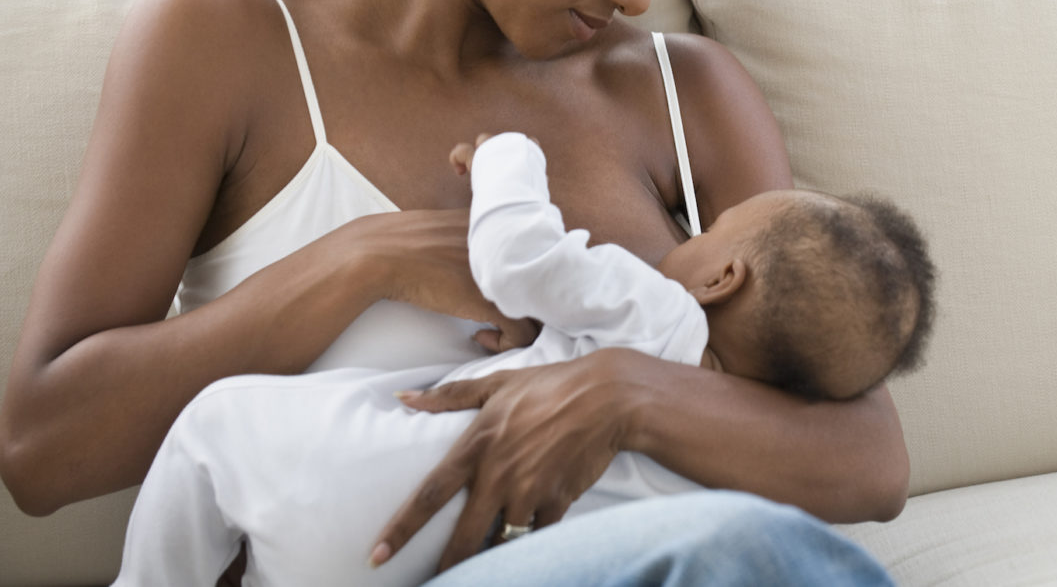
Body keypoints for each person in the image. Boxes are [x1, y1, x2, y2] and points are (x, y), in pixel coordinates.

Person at [0, 0, 915, 583]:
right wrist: (362, 262)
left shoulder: (689, 95)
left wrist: (622, 394)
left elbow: (870, 461)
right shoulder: (223, 37)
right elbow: (41, 447)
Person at [114, 131, 937, 586]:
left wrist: (511, 156)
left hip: (343, 493)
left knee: (215, 425)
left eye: (705, 232)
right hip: (442, 560)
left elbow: (516, 257)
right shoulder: (737, 457)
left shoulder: (658, 307)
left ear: (721, 276)